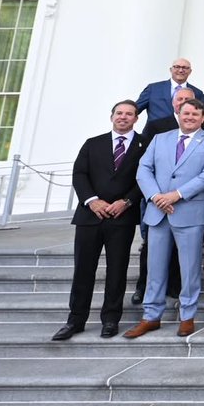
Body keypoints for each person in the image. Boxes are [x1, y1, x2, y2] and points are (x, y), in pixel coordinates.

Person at [125, 98, 204, 339]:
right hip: (158, 212)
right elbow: (143, 169)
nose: (189, 117)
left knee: (189, 269)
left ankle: (187, 316)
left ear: (202, 118)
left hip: (189, 212)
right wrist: (156, 196)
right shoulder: (160, 139)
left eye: (195, 114)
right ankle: (151, 316)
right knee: (155, 267)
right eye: (186, 113)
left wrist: (176, 195)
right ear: (178, 113)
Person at [53, 100, 146, 341]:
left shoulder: (143, 145)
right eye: (119, 113)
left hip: (121, 217)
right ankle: (75, 320)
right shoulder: (93, 144)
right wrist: (92, 200)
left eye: (129, 114)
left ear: (136, 118)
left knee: (117, 271)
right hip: (89, 217)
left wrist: (126, 202)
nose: (123, 117)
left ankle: (111, 319)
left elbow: (145, 178)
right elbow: (79, 174)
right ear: (111, 116)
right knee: (83, 270)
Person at [132, 86, 196, 304]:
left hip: (186, 201)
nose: (184, 104)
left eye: (189, 100)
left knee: (181, 250)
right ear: (173, 104)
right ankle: (143, 287)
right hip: (157, 200)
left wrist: (176, 195)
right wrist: (157, 196)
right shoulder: (157, 126)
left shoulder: (201, 127)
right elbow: (145, 162)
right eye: (180, 100)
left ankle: (175, 287)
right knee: (150, 248)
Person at [135, 58, 202, 124]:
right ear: (171, 70)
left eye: (185, 68)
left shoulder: (197, 93)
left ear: (190, 71)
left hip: (183, 133)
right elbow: (135, 110)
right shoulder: (153, 89)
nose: (181, 70)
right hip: (155, 132)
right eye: (177, 67)